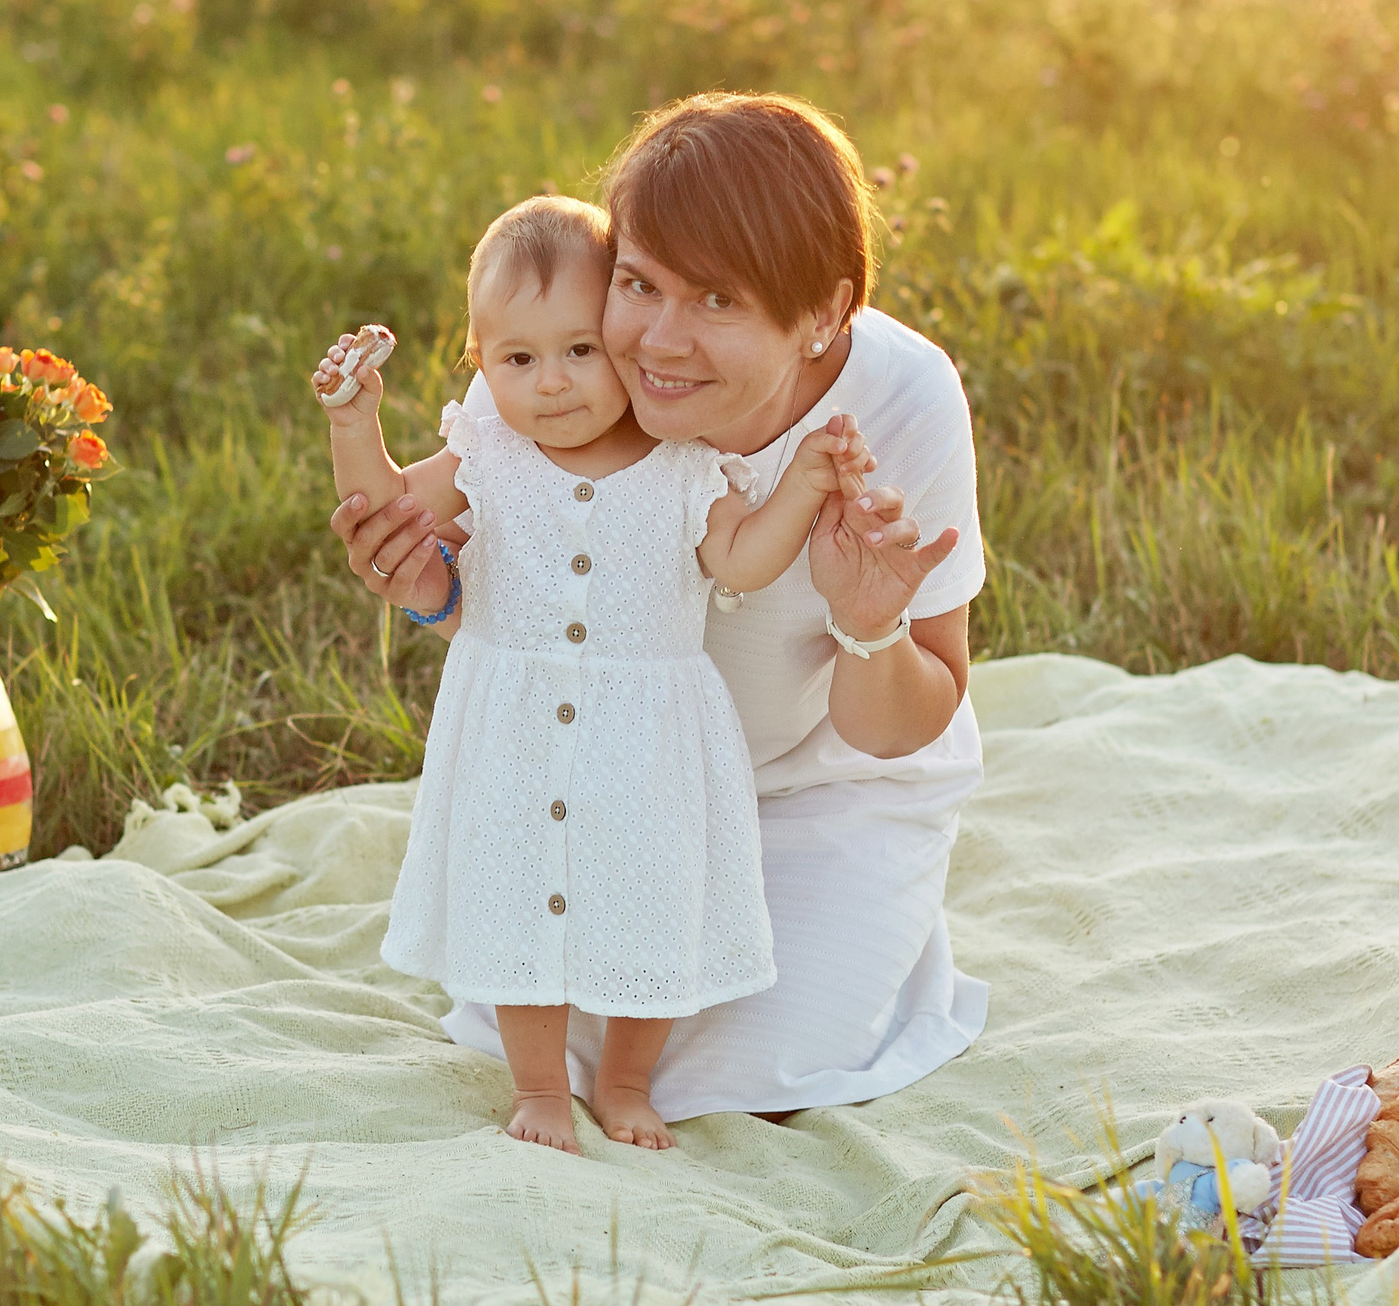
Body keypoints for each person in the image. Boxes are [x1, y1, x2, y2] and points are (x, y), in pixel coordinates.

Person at [333, 92, 990, 1125]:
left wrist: (871, 625)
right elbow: (528, 590)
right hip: (602, 779)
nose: (661, 343)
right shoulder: (582, 368)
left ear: (824, 312)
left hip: (818, 789)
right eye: (639, 282)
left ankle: (876, 929)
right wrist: (429, 587)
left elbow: (897, 727)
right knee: (545, 1042)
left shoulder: (901, 398)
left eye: (718, 301)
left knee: (730, 1079)